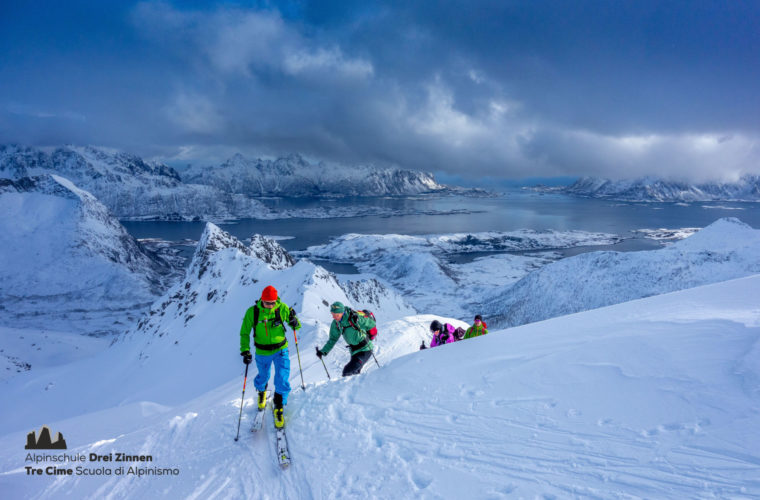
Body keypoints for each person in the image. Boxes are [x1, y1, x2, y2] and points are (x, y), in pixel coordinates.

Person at [239, 285, 300, 429]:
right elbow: (244, 333)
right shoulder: (253, 312)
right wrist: (245, 351)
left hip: (281, 349)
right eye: (267, 303)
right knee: (263, 375)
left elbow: (296, 326)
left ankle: (279, 405)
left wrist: (294, 322)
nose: (270, 305)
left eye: (272, 302)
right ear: (262, 300)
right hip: (262, 351)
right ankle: (262, 392)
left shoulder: (282, 308)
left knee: (282, 377)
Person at [315, 301, 375, 377]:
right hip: (354, 352)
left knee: (347, 372)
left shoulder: (353, 317)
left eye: (336, 315)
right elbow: (332, 339)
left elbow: (372, 324)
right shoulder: (336, 323)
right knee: (353, 375)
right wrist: (323, 352)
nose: (333, 317)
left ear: (342, 313)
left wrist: (360, 320)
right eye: (332, 314)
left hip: (365, 349)